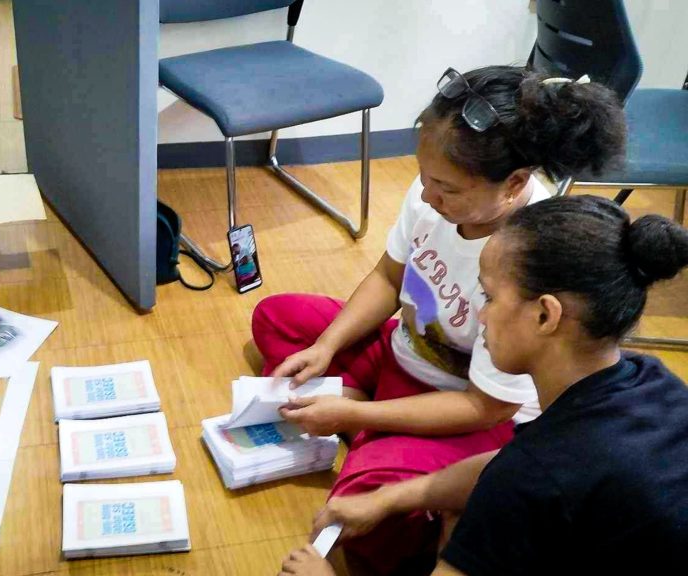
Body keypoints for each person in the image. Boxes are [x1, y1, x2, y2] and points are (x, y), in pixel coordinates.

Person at [253, 66, 626, 574]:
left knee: (367, 520)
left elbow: (485, 405)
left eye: (446, 189)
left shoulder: (531, 257)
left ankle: (373, 428)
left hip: (468, 409)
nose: (427, 197)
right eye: (424, 178)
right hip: (405, 350)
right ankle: (371, 415)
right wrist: (326, 344)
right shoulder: (437, 185)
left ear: (515, 183)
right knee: (279, 319)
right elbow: (389, 276)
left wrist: (354, 419)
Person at [281, 195, 688, 575]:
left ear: (546, 316)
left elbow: (520, 473)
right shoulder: (649, 377)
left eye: (489, 297)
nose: (481, 315)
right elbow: (507, 462)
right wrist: (388, 498)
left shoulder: (533, 475)